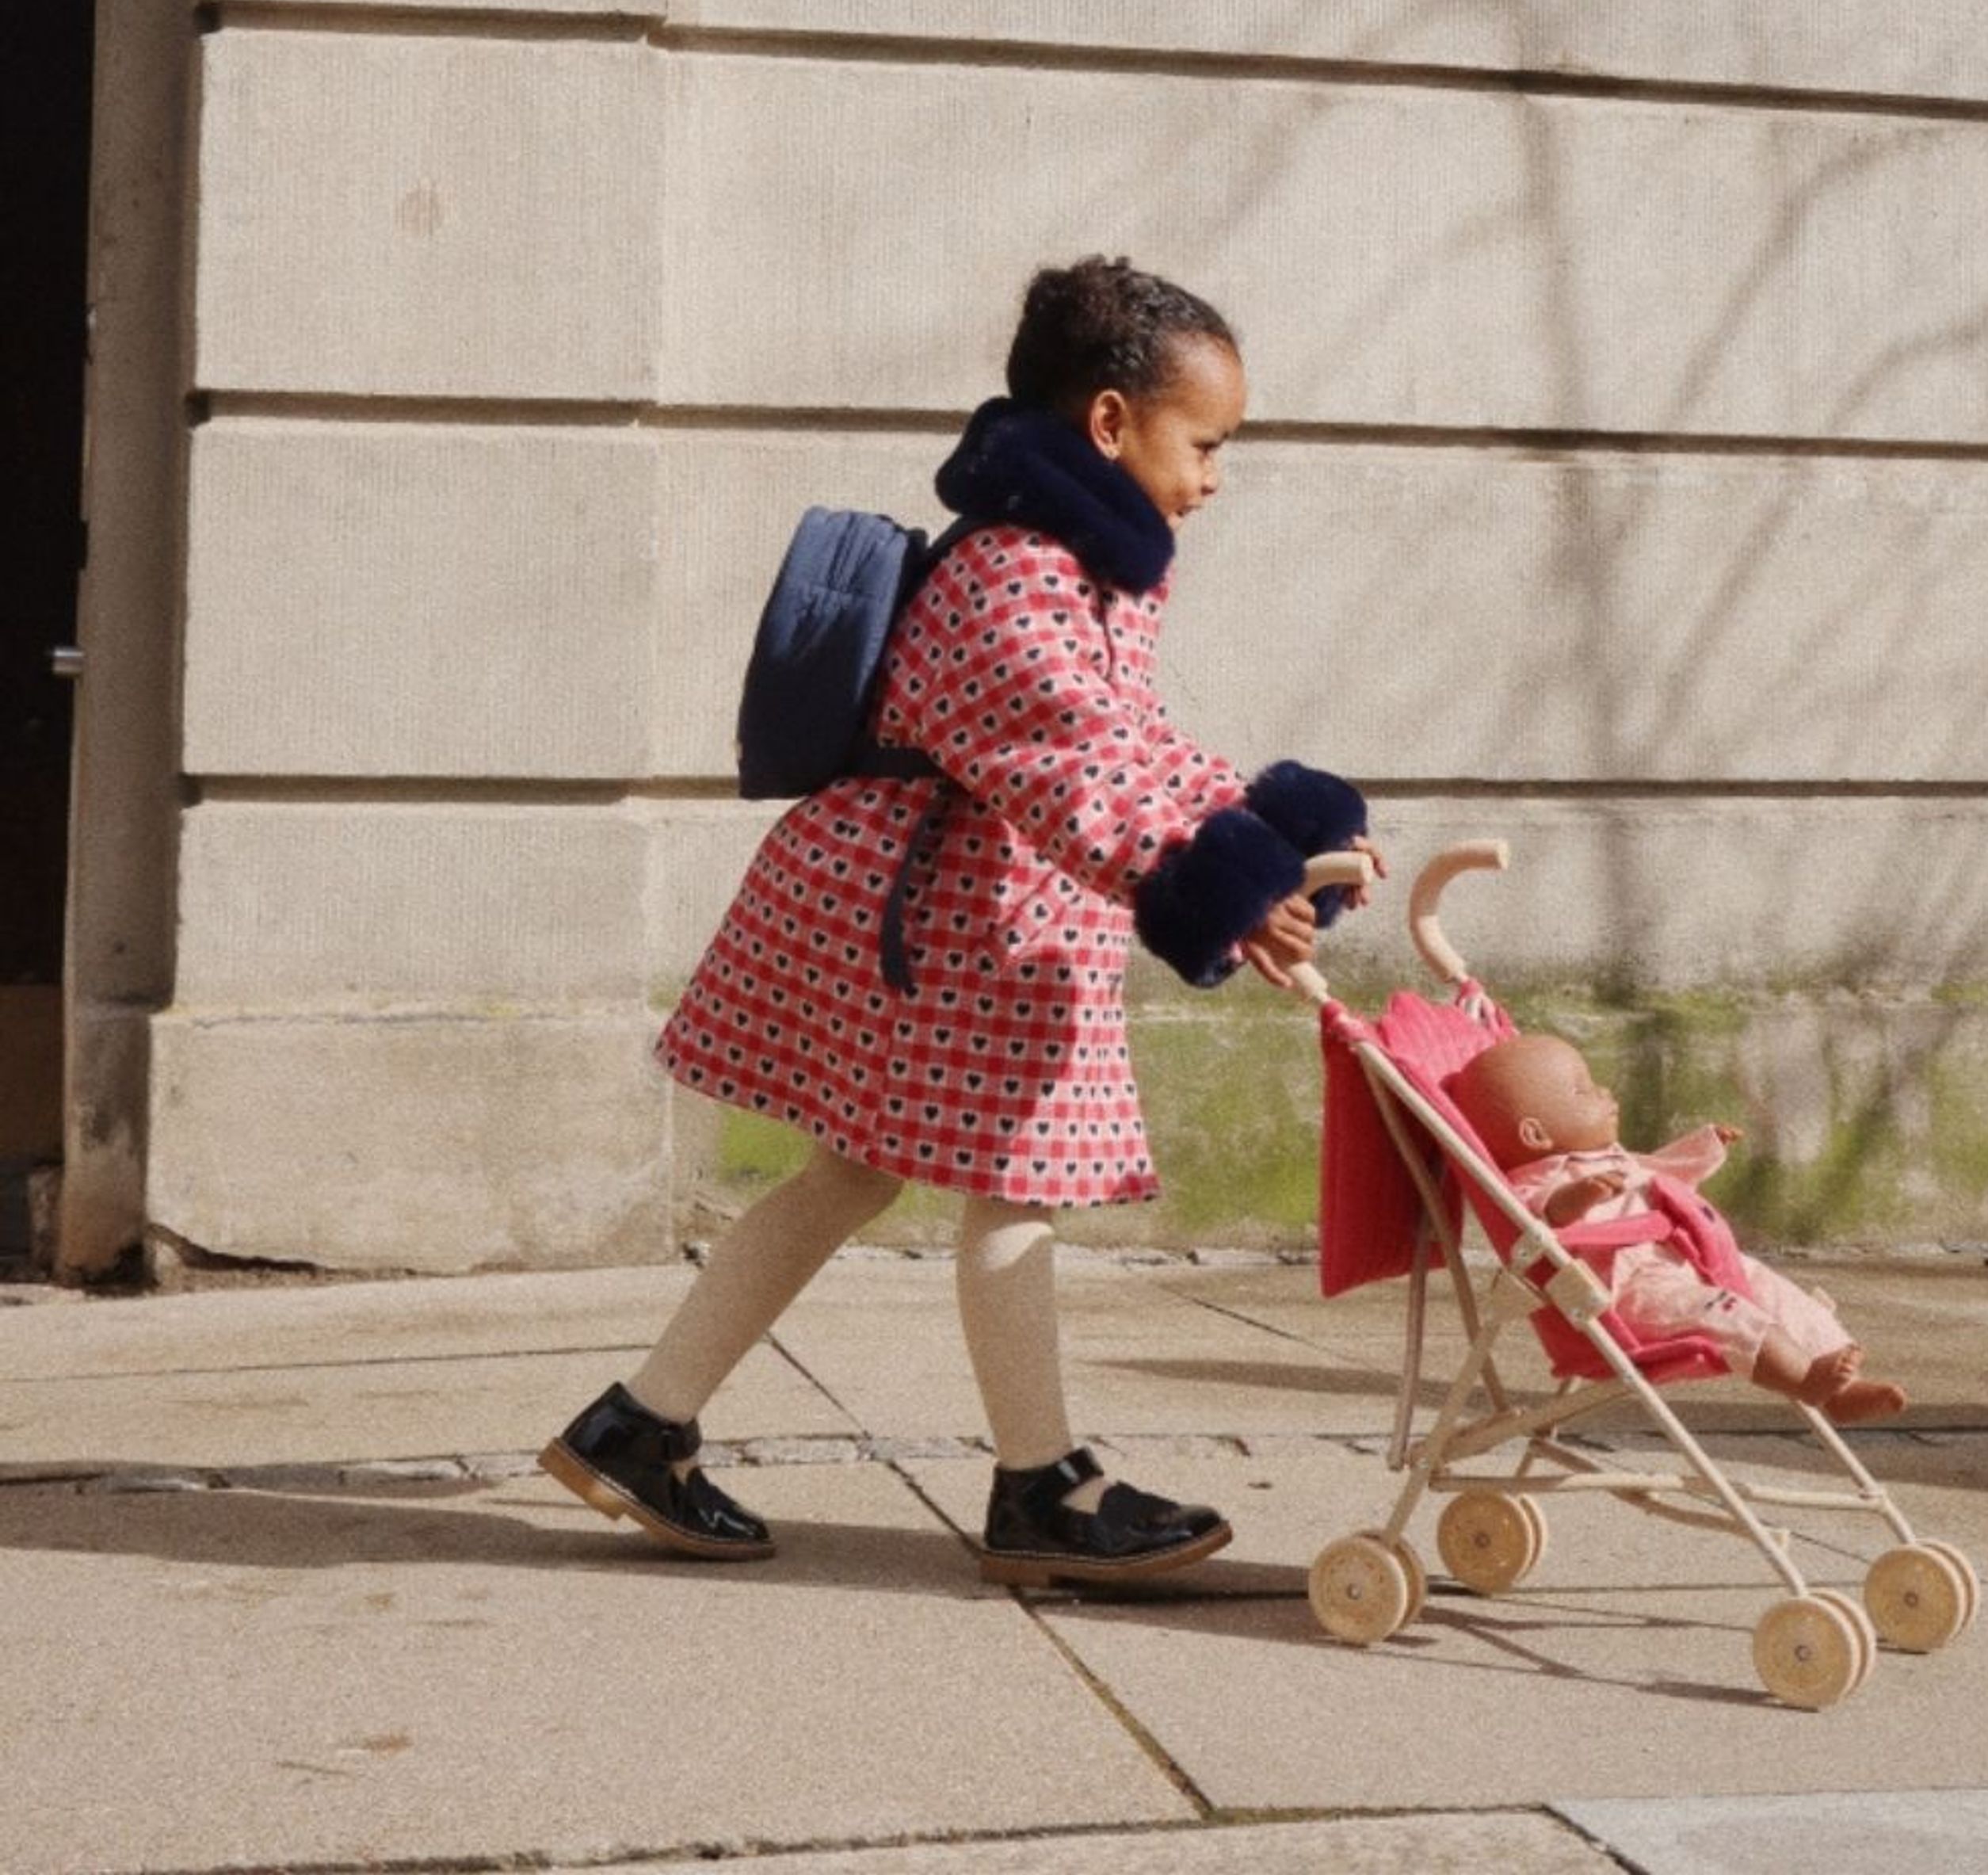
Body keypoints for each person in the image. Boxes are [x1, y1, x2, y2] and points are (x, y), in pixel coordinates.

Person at [542, 255, 1379, 1586]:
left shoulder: (1083, 571)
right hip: (928, 919)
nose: (1216, 475)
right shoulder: (1012, 577)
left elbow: (1128, 743)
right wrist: (1221, 873)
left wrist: (1268, 830)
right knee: (1011, 1177)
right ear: (1111, 422)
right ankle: (1038, 1482)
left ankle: (642, 1422)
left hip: (971, 915)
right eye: (1205, 442)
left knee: (857, 1171)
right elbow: (1069, 762)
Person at [1448, 1031, 1906, 1425]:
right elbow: (1537, 1217)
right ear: (1535, 1135)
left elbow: (1660, 1175)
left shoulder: (1609, 1158)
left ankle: (1842, 1391)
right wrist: (1577, 1197)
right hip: (1634, 1292)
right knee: (1724, 1311)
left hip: (1688, 1261)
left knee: (1775, 1292)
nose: (1605, 1091)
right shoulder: (1541, 1177)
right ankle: (1805, 1381)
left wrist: (1704, 1147)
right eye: (1583, 1090)